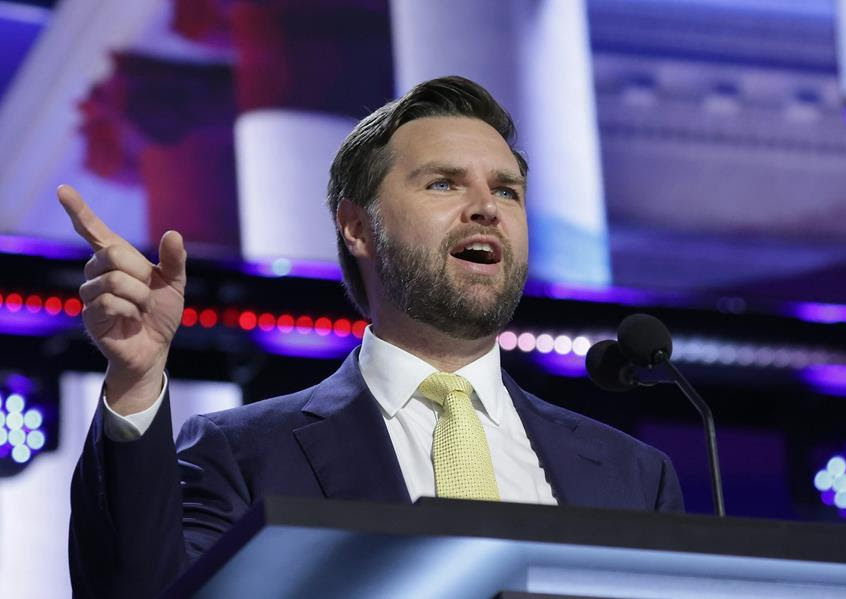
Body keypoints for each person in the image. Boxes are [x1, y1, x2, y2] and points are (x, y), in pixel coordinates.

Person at [66, 76, 683, 598]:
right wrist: (138, 380)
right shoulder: (242, 456)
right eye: (444, 183)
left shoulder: (633, 478)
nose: (486, 208)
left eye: (506, 190)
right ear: (358, 226)